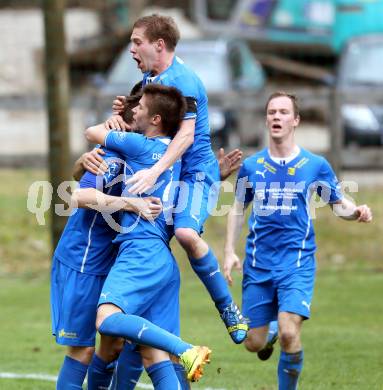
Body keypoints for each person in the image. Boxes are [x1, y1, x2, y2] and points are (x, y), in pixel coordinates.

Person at [112, 14, 248, 344]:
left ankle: (228, 308)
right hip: (166, 175)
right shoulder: (148, 80)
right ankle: (144, 335)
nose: (131, 49)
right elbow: (144, 125)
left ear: (159, 45)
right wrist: (121, 117)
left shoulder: (183, 80)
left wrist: (154, 172)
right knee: (147, 246)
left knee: (186, 233)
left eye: (136, 42)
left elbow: (185, 137)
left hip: (193, 175)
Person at [223, 91, 372, 390]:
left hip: (297, 262)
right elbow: (238, 208)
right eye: (272, 112)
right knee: (253, 342)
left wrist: (354, 211)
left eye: (283, 112)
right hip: (258, 263)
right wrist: (228, 251)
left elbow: (337, 202)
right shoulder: (252, 167)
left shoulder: (315, 165)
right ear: (266, 120)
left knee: (292, 333)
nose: (276, 117)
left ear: (296, 120)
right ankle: (272, 329)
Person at [82, 83, 212, 389]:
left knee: (106, 320)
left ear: (155, 120)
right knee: (154, 354)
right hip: (162, 260)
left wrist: (115, 121)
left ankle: (187, 349)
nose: (135, 110)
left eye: (141, 107)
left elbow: (92, 132)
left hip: (140, 252)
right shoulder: (176, 156)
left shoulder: (140, 146)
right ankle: (181, 350)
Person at [51, 96, 162, 389]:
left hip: (118, 262)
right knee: (83, 348)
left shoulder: (152, 152)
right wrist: (129, 203)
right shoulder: (116, 150)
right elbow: (78, 195)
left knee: (115, 345)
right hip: (85, 260)